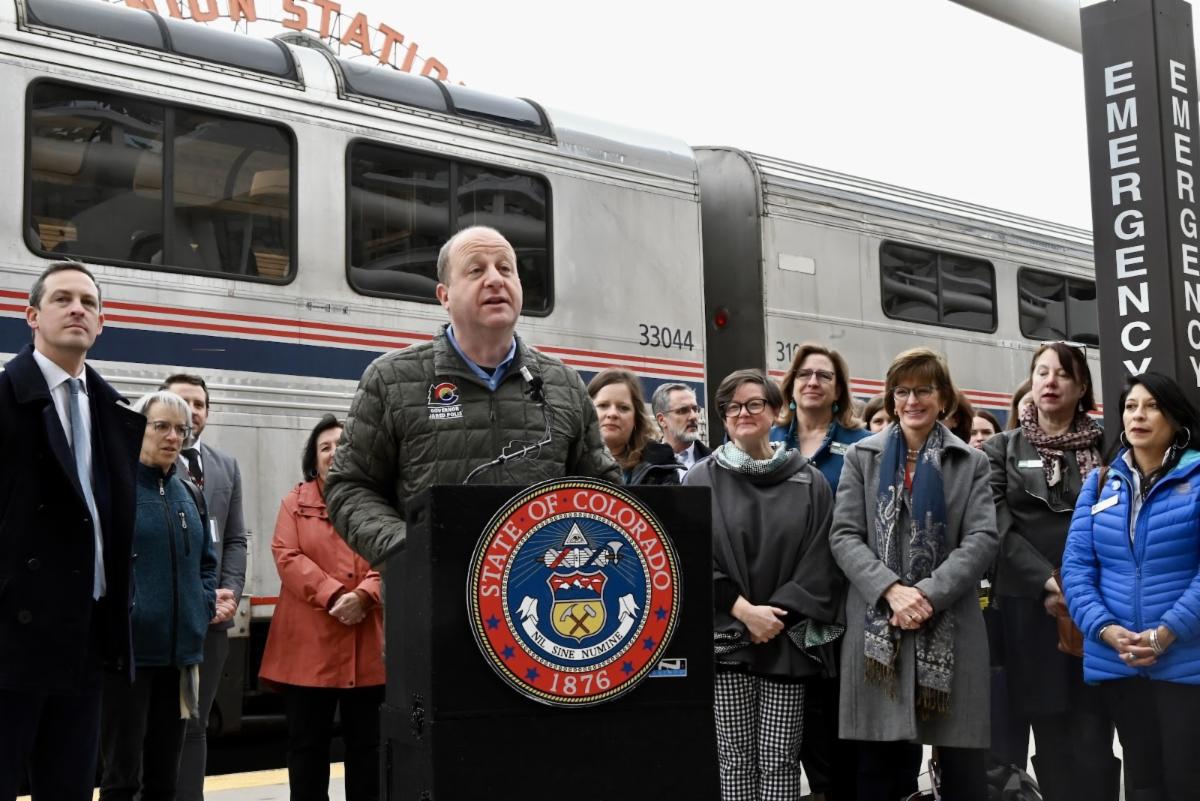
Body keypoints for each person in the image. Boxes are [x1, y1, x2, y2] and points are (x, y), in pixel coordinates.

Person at [326, 226, 620, 564]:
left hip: (536, 596)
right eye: (476, 270)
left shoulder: (563, 383)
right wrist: (411, 549)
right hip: (432, 596)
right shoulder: (390, 379)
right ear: (445, 296)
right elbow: (350, 487)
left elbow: (603, 487)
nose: (495, 279)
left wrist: (571, 551)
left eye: (505, 268)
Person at [0, 261, 143, 801]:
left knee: (70, 789)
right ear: (32, 316)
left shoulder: (113, 411)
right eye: (62, 299)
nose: (77, 308)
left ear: (102, 324)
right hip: (12, 637)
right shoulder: (3, 401)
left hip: (85, 635)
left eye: (88, 302)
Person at [829, 347, 998, 801]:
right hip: (877, 631)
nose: (912, 400)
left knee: (963, 772)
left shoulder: (971, 462)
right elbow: (844, 535)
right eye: (901, 391)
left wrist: (923, 595)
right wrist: (890, 591)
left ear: (943, 397)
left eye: (923, 389)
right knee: (878, 771)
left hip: (950, 626)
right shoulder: (861, 457)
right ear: (890, 399)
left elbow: (982, 539)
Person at [683, 369, 844, 801]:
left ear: (776, 411)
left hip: (786, 640)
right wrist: (742, 611)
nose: (743, 413)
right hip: (725, 639)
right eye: (732, 407)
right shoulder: (699, 478)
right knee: (733, 758)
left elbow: (822, 562)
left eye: (755, 403)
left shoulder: (810, 481)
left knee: (779, 759)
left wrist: (772, 617)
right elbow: (689, 556)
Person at [982, 342, 1117, 801]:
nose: (1050, 381)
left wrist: (1079, 588)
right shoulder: (1001, 448)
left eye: (1062, 374)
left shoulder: (1109, 445)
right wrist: (1051, 582)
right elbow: (997, 528)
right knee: (1051, 730)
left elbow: (1120, 521)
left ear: (1082, 386)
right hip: (1030, 608)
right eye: (1041, 372)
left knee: (1094, 730)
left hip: (1098, 605)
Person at [1062, 372, 1200, 801]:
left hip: (1185, 660)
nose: (1137, 415)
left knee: (1187, 780)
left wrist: (1166, 632)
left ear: (1176, 418)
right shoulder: (1100, 482)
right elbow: (1076, 567)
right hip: (1121, 659)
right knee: (1143, 784)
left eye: (1151, 406)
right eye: (1129, 406)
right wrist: (1105, 629)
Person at [100, 391, 217, 801]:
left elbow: (208, 561)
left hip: (180, 657)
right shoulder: (118, 490)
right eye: (161, 426)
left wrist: (200, 607)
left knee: (165, 779)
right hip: (130, 656)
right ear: (139, 429)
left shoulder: (192, 495)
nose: (172, 437)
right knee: (120, 776)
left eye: (181, 430)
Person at [260, 415, 384, 801]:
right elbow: (286, 556)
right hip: (307, 650)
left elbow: (395, 554)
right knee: (307, 747)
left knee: (369, 748)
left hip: (368, 649)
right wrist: (334, 595)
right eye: (325, 447)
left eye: (342, 445)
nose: (334, 452)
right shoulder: (293, 504)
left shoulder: (381, 502)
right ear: (314, 461)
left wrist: (365, 594)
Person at [769, 342, 867, 800]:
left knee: (838, 722)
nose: (812, 382)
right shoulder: (767, 444)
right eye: (804, 374)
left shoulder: (861, 447)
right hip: (780, 605)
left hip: (840, 606)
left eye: (824, 376)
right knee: (797, 722)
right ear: (790, 386)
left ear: (839, 390)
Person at [162, 374, 245, 800]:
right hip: (167, 617)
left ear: (208, 413)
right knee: (158, 721)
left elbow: (235, 538)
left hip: (211, 622)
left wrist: (229, 594)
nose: (192, 411)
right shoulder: (152, 461)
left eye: (199, 403)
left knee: (195, 723)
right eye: (182, 402)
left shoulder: (225, 466)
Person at [588, 369, 681, 484]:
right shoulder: (567, 462)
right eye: (603, 405)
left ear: (636, 418)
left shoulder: (661, 469)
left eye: (623, 408)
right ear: (587, 411)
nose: (612, 413)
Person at [651, 381, 710, 469]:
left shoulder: (714, 463)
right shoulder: (644, 464)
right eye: (683, 410)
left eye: (695, 409)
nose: (693, 416)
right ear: (662, 420)